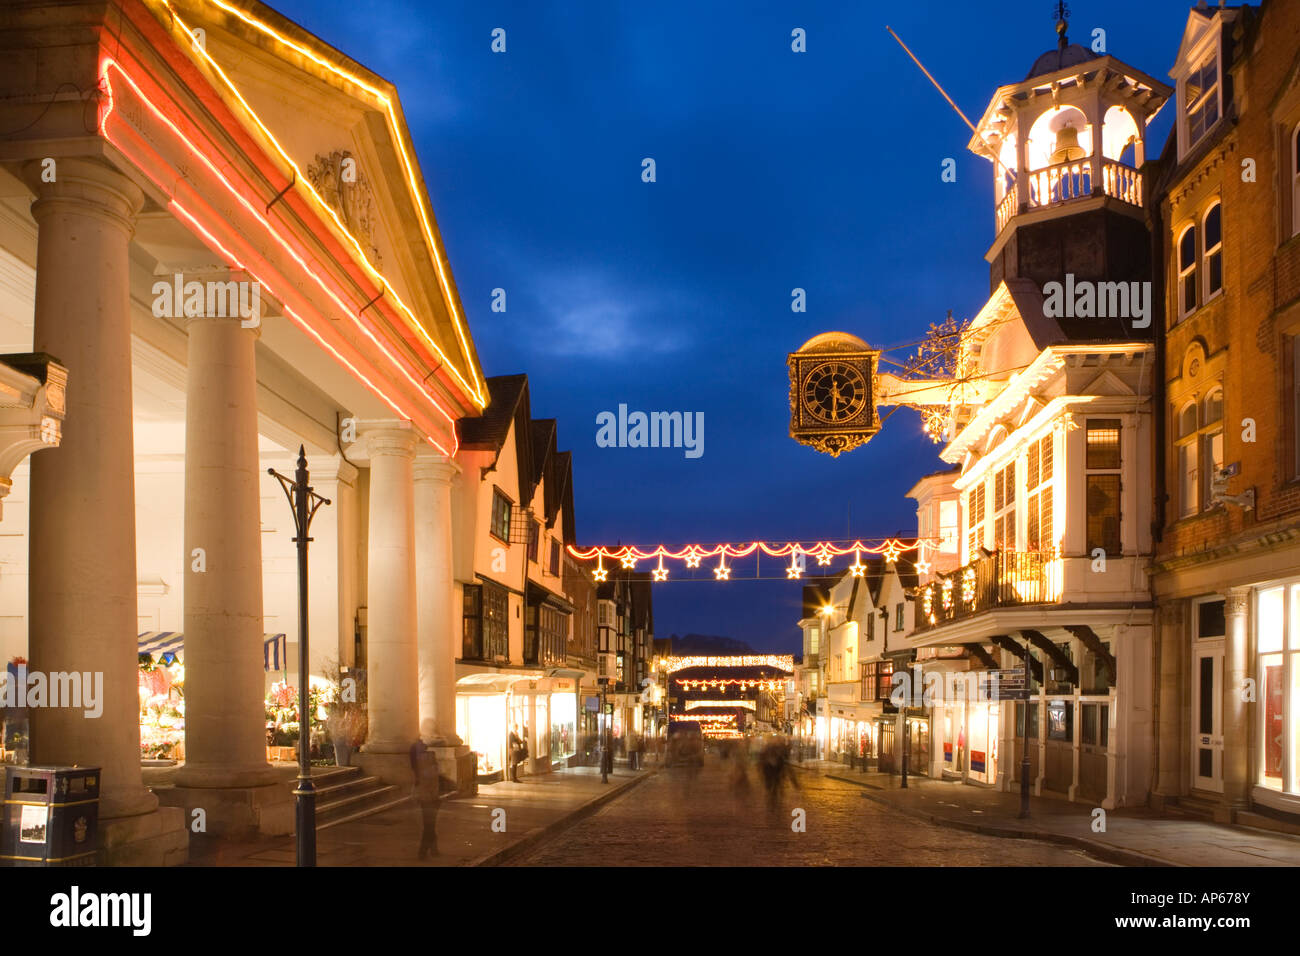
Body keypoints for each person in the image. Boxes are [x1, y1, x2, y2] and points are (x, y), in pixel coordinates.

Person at [409, 734, 440, 860]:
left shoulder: (422, 761)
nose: (423, 744)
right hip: (429, 797)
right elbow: (431, 779)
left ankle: (434, 849)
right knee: (429, 826)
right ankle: (423, 852)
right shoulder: (425, 760)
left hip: (429, 796)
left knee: (430, 825)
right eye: (420, 743)